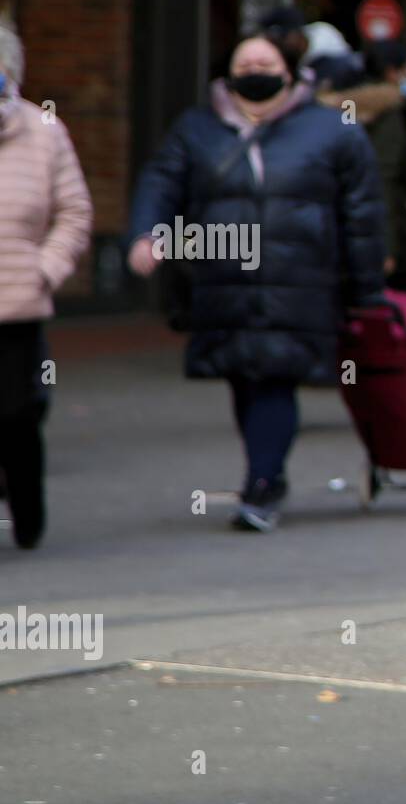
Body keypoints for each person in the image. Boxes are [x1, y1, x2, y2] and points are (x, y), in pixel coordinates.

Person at [127, 34, 385, 531]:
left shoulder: (331, 130)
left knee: (274, 376)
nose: (256, 69)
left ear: (290, 70)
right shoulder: (197, 128)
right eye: (246, 61)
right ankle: (265, 475)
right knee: (245, 377)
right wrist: (148, 234)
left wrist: (366, 284)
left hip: (300, 280)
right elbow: (161, 181)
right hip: (224, 277)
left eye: (266, 61)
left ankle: (263, 482)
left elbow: (363, 213)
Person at [0, 24, 93, 549]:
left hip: (18, 303)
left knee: (17, 416)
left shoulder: (43, 130)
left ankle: (27, 511)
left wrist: (46, 268)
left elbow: (74, 211)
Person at [319, 39, 406, 292]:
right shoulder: (389, 114)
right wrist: (387, 247)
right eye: (405, 69)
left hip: (334, 231)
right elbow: (385, 178)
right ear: (391, 72)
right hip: (374, 235)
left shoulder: (332, 112)